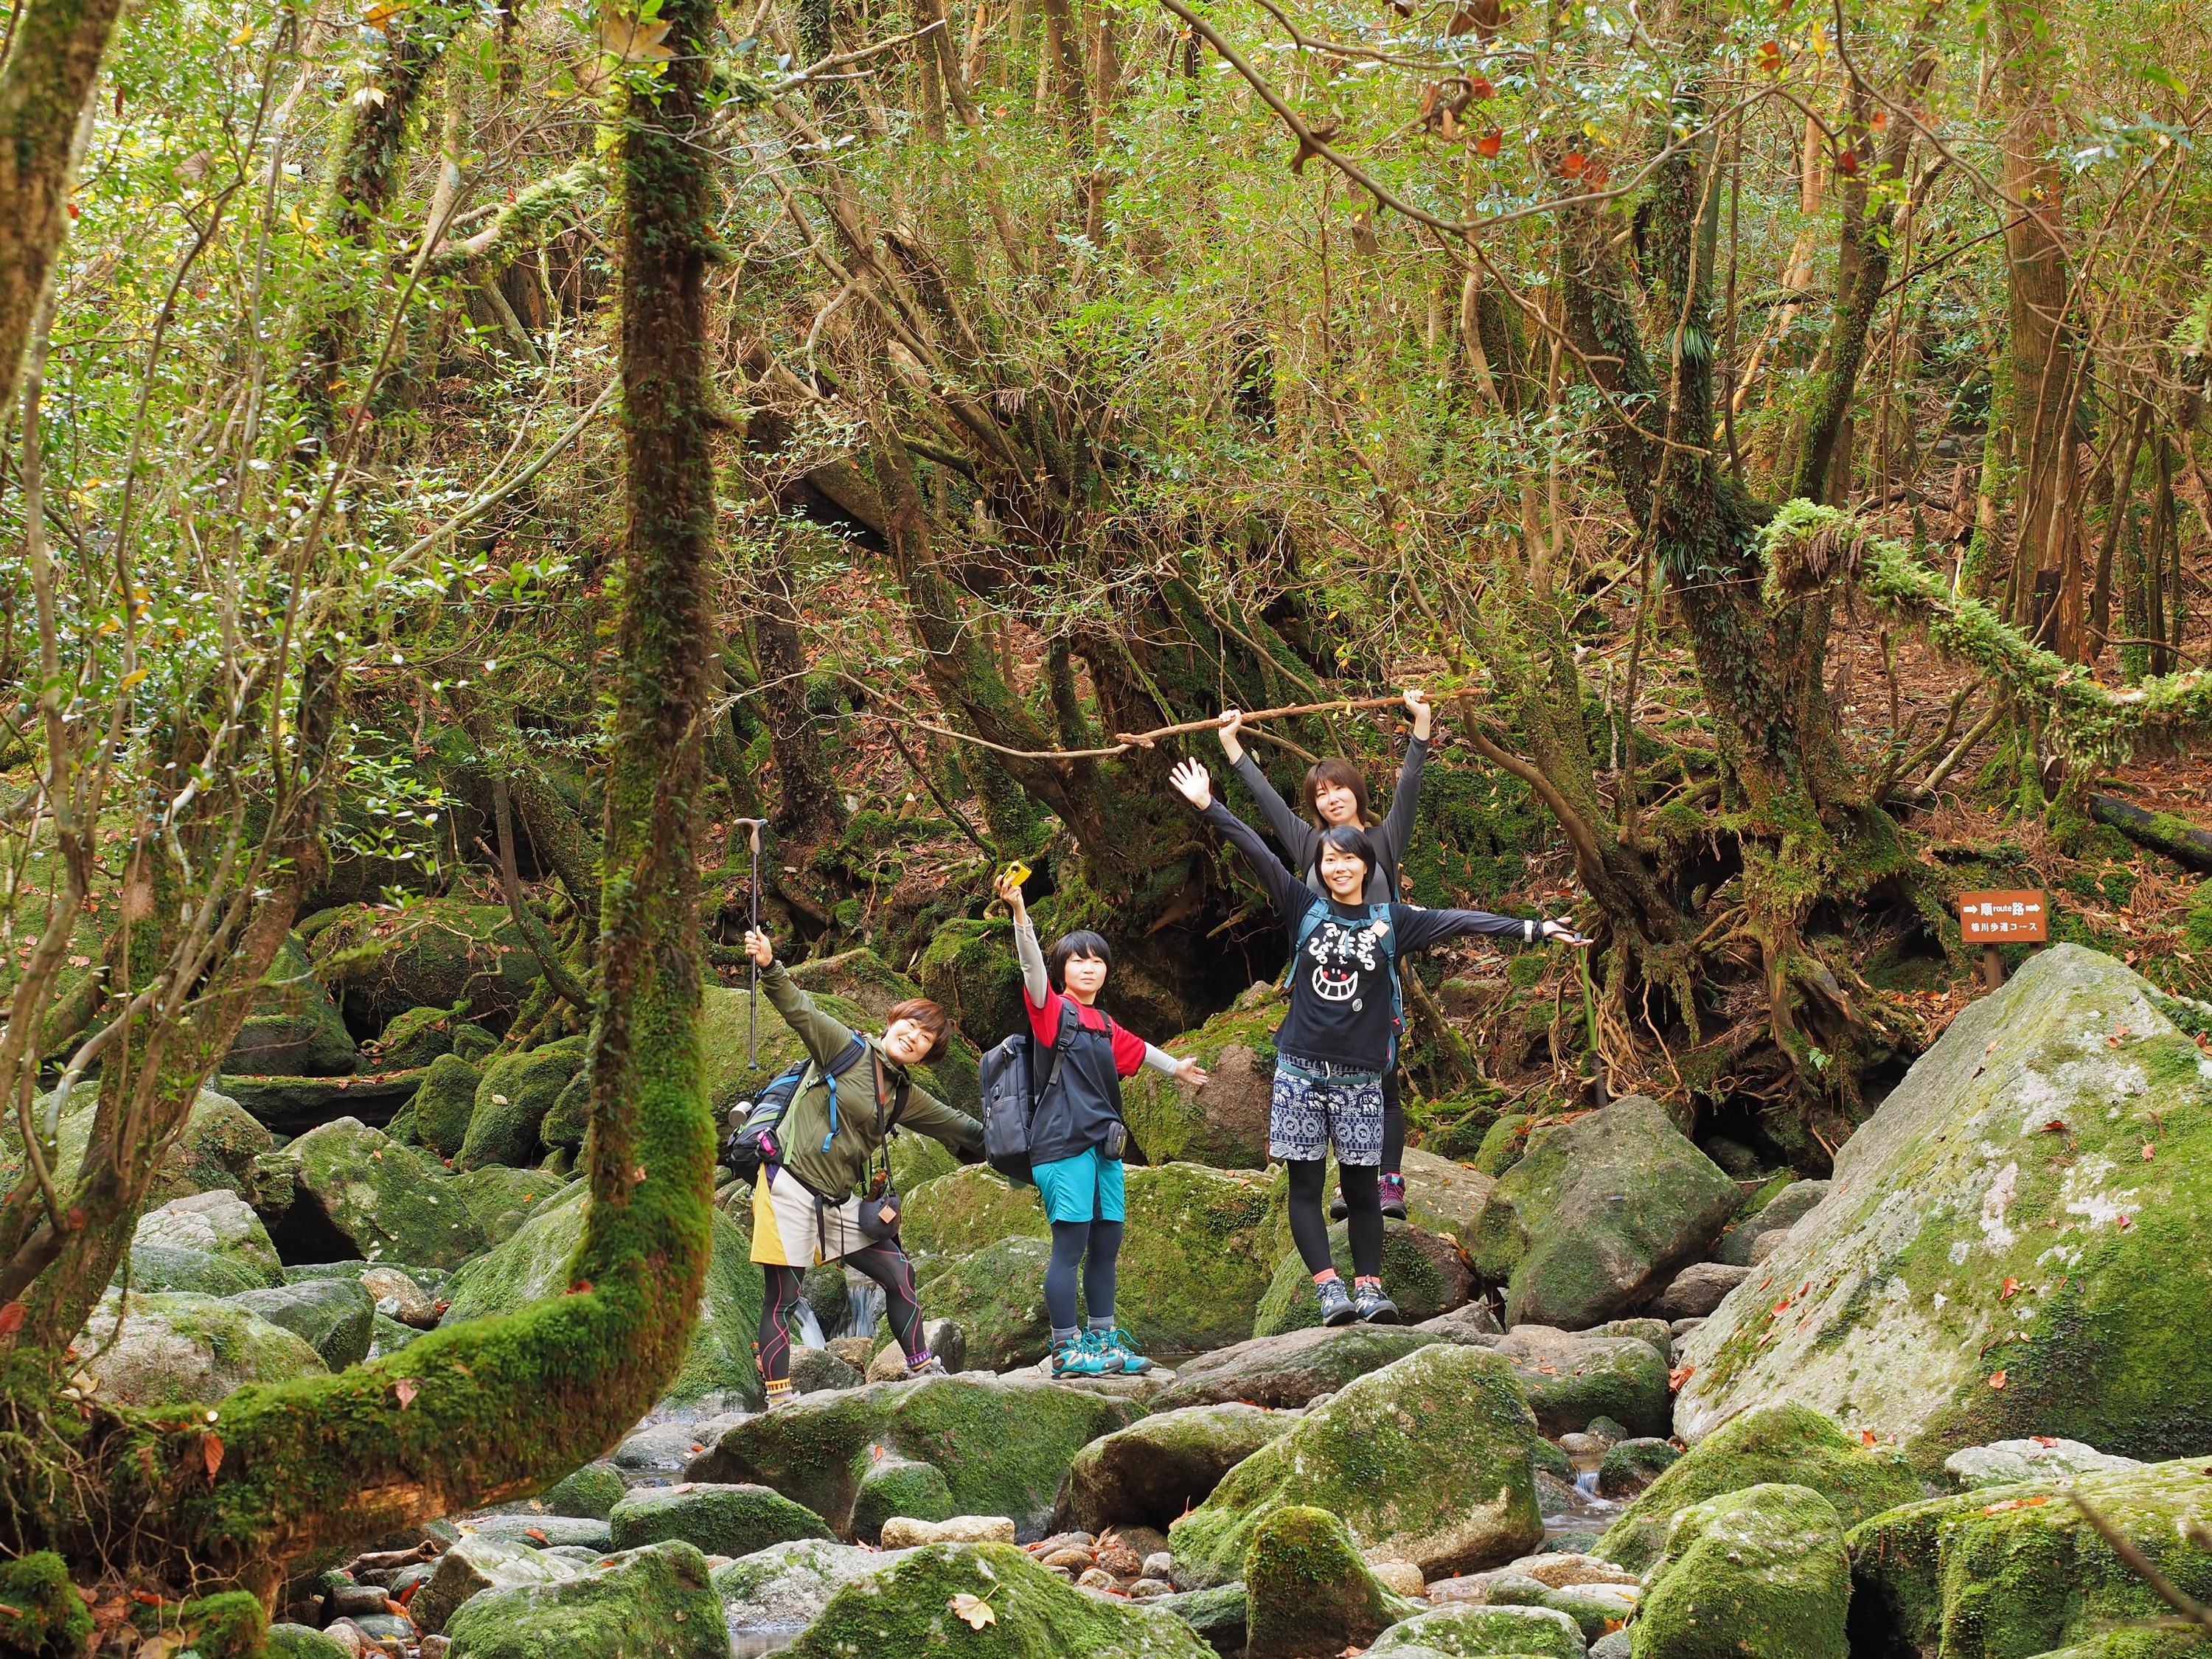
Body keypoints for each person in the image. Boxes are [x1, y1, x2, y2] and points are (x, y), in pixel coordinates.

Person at [1169, 757, 1586, 1326]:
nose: (1339, 867)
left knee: (1364, 1192)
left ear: (1367, 864)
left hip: (1363, 1079)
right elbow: (1257, 851)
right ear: (1321, 866)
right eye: (1329, 860)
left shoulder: (1394, 920)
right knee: (1306, 1185)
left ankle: (1369, 1289)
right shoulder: (1303, 908)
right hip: (1300, 1074)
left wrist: (1536, 928)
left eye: (1349, 859)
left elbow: (1462, 920)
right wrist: (1207, 805)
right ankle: (1328, 1290)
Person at [741, 926, 984, 1408]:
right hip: (787, 1184)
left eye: (925, 1038)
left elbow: (960, 1128)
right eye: (910, 1025)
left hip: (836, 1201)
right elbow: (798, 1008)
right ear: (893, 1021)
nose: (913, 1036)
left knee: (898, 1273)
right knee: (784, 1298)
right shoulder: (845, 1048)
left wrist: (1026, 1140)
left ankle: (920, 1366)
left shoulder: (904, 1095)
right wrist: (770, 964)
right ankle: (780, 1398)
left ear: (930, 1054)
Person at [1217, 688, 1431, 1221]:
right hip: (1323, 985)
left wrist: (1421, 725)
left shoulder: (1383, 843)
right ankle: (1352, 1183)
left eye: (1339, 789)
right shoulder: (1310, 848)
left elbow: (1408, 788)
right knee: (1332, 1082)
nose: (1331, 798)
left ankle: (1388, 1182)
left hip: (1377, 980)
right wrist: (1231, 745)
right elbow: (1266, 802)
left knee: (1382, 1079)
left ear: (1356, 793)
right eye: (1321, 794)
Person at [995, 869, 1210, 1378]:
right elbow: (1030, 972)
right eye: (1077, 960)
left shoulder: (1105, 1023)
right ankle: (1066, 1350)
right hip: (1061, 1145)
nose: (1088, 968)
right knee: (1070, 1245)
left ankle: (1102, 1337)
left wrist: (1177, 1068)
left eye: (1097, 961)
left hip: (1104, 1148)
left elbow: (1140, 1049)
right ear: (1063, 969)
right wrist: (1020, 915)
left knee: (1107, 1244)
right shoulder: (1053, 1011)